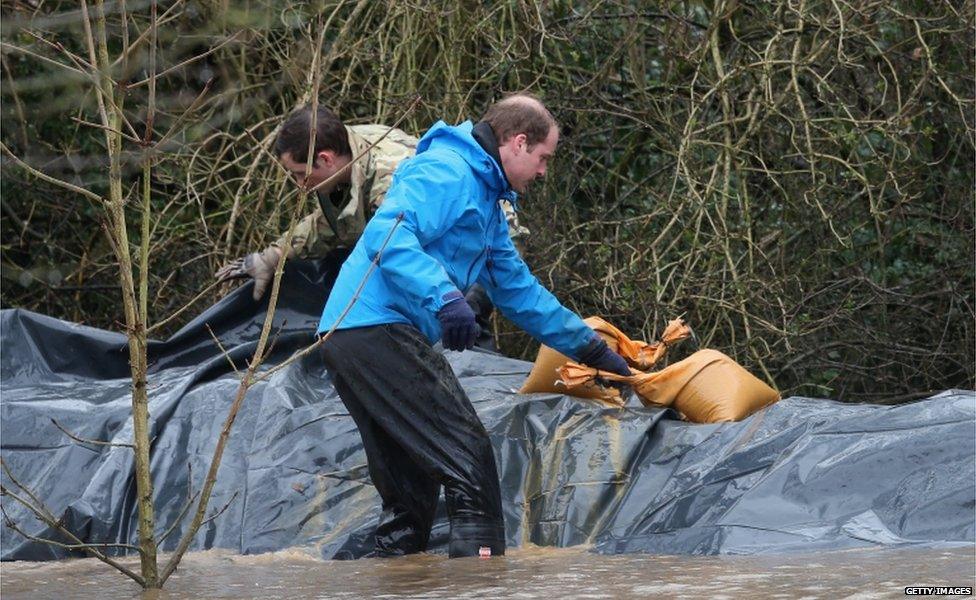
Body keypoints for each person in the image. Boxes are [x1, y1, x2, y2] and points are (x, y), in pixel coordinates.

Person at [317, 94, 632, 559]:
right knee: (468, 457)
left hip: (355, 335)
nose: (545, 171)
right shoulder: (448, 170)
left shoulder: (487, 200)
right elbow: (386, 233)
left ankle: (389, 580)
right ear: (518, 143)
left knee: (411, 490)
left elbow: (518, 292)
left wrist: (590, 349)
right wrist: (444, 297)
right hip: (371, 329)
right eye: (544, 158)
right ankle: (480, 586)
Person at [214, 105, 529, 343]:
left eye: (299, 174)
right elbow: (330, 224)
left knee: (458, 333)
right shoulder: (345, 154)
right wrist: (271, 257)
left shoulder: (389, 176)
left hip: (485, 244)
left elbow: (404, 250)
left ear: (324, 159)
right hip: (437, 243)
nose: (300, 185)